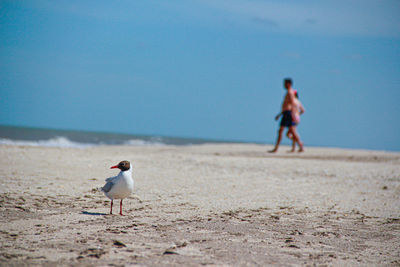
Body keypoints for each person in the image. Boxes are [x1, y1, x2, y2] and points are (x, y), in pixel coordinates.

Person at [269, 78, 304, 153]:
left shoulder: (290, 93)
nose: (283, 85)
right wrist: (279, 115)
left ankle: (277, 148)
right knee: (287, 131)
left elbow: (292, 104)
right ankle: (300, 145)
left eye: (285, 83)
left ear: (288, 84)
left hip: (288, 113)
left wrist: (293, 114)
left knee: (284, 131)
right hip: (286, 113)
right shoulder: (289, 92)